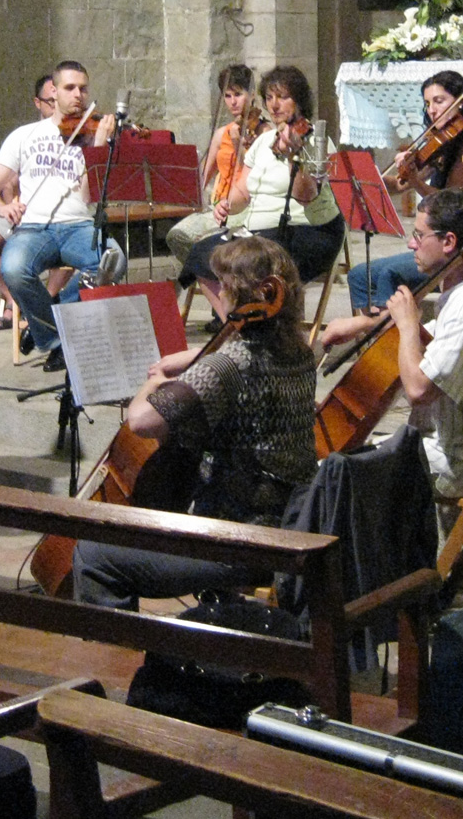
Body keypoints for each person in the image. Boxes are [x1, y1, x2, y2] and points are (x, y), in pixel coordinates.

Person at [72, 235, 317, 609]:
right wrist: (193, 360)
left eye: (221, 287)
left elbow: (141, 421)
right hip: (290, 523)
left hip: (238, 540)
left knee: (95, 555)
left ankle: (116, 664)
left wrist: (153, 383)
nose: (216, 295)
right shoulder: (299, 351)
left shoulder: (228, 365)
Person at [318, 190, 463, 500]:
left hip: (459, 463)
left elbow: (419, 389)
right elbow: (430, 335)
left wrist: (408, 324)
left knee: (329, 475)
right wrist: (363, 324)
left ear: (449, 242)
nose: (411, 245)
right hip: (452, 449)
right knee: (340, 464)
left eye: (419, 236)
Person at [0, 61, 119, 372]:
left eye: (83, 88)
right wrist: (2, 208)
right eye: (70, 88)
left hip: (78, 225)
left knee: (113, 260)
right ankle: (54, 340)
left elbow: (88, 196)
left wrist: (97, 150)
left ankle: (51, 318)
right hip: (33, 229)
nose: (78, 95)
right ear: (53, 91)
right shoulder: (25, 136)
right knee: (13, 268)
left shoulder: (94, 137)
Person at [185, 65, 343, 319]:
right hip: (261, 235)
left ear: (299, 100)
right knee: (201, 254)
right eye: (269, 98)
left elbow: (306, 195)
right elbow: (243, 194)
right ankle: (236, 329)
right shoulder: (263, 142)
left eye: (282, 97)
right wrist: (226, 204)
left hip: (307, 233)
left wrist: (294, 156)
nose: (274, 105)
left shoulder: (316, 142)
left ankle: (268, 333)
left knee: (250, 265)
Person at [346, 70, 463, 312]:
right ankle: (374, 338)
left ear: (461, 101)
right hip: (436, 246)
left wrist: (414, 180)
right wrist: (370, 179)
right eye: (427, 103)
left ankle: (393, 340)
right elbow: (400, 185)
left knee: (389, 275)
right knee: (359, 275)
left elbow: (448, 202)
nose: (432, 109)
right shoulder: (441, 144)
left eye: (439, 101)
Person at [0, 74, 63, 332]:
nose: (56, 106)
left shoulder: (74, 136)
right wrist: (6, 205)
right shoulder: (25, 136)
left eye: (59, 100)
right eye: (50, 102)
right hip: (22, 210)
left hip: (59, 213)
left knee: (69, 239)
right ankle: (16, 298)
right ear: (37, 103)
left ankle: (45, 303)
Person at [166, 64, 258, 274]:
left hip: (243, 207)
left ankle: (220, 279)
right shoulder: (221, 133)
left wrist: (239, 146)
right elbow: (202, 177)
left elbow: (253, 174)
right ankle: (212, 277)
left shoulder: (262, 131)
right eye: (227, 96)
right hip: (217, 206)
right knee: (177, 235)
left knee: (208, 242)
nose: (232, 102)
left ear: (251, 95)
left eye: (238, 94)